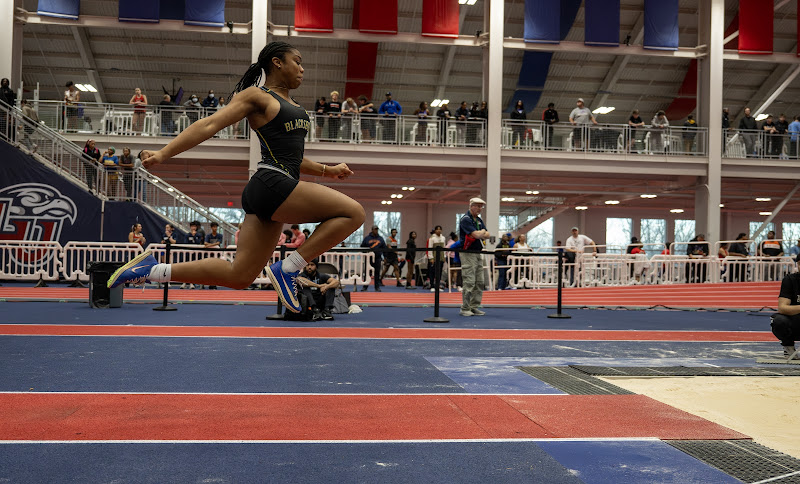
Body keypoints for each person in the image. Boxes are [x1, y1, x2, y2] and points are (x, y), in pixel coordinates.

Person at [107, 41, 365, 314]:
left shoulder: (294, 105)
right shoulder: (258, 96)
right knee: (353, 213)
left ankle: (152, 269)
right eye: (297, 61)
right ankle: (288, 268)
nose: (302, 69)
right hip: (272, 183)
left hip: (271, 188)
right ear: (277, 62)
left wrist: (328, 170)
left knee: (240, 276)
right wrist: (164, 153)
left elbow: (293, 159)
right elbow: (209, 124)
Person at [459, 197, 491, 316]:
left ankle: (474, 306)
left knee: (479, 281)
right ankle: (465, 308)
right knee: (469, 281)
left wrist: (481, 233)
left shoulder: (478, 220)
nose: (479, 208)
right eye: (477, 206)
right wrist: (481, 233)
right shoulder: (466, 220)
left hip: (478, 252)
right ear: (471, 206)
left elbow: (487, 235)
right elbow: (477, 235)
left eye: (481, 206)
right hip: (468, 253)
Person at [769, 258, 800, 360]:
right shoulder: (790, 280)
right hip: (795, 321)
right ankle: (789, 347)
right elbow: (782, 308)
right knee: (778, 321)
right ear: (798, 264)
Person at [361, 225, 386, 292]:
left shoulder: (380, 239)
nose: (376, 230)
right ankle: (365, 287)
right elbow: (362, 247)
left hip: (377, 258)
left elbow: (384, 248)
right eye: (375, 229)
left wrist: (385, 257)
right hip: (369, 258)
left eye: (377, 229)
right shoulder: (367, 238)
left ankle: (377, 287)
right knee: (367, 273)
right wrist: (365, 254)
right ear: (372, 230)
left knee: (377, 273)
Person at [426, 225, 446, 291]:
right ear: (435, 230)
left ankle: (437, 286)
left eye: (440, 229)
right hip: (434, 257)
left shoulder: (443, 238)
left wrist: (444, 256)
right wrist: (431, 258)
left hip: (441, 257)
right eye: (437, 229)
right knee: (432, 272)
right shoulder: (432, 238)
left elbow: (444, 248)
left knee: (439, 272)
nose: (439, 230)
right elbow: (430, 248)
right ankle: (432, 286)